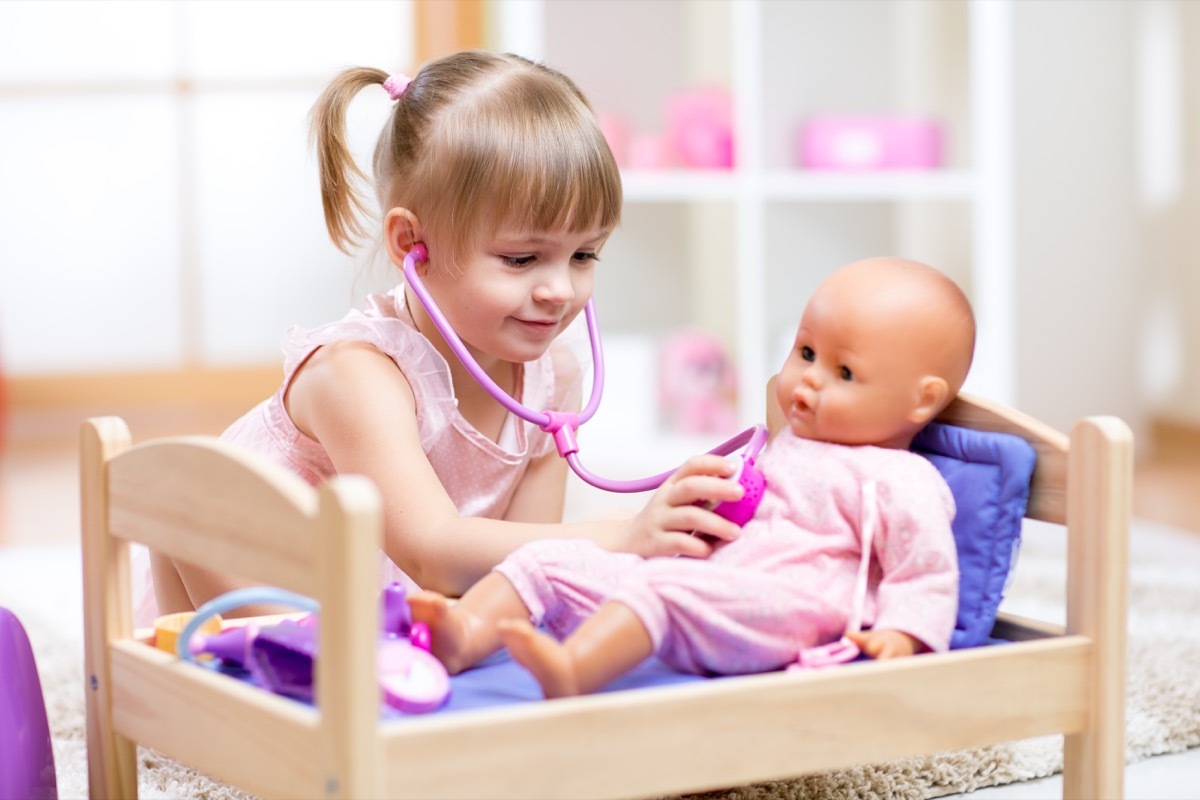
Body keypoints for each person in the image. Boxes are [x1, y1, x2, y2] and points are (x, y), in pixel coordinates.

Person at [140, 51, 745, 625]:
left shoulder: (554, 381)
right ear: (411, 245)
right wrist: (618, 534)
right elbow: (432, 551)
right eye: (521, 258)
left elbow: (522, 571)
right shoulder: (356, 374)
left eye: (585, 254)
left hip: (382, 610)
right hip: (254, 594)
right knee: (201, 511)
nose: (560, 288)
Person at [408, 256, 976, 698]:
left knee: (663, 588)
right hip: (714, 583)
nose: (806, 381)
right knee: (547, 560)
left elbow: (925, 569)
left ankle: (575, 672)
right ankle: (463, 636)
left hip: (789, 609)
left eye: (845, 371)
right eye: (805, 352)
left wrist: (903, 633)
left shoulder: (900, 479)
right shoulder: (792, 444)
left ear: (920, 400)